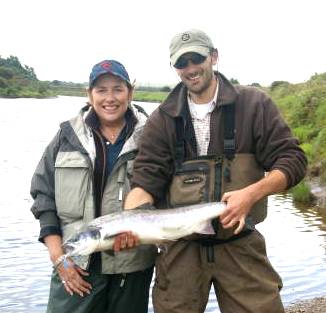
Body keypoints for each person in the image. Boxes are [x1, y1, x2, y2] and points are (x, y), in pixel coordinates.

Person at [122, 29, 307, 313]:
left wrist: (251, 193)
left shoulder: (255, 105)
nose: (191, 68)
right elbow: (146, 179)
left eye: (197, 58)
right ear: (175, 68)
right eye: (182, 63)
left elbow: (292, 160)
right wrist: (130, 221)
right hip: (181, 249)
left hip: (240, 241)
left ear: (214, 57)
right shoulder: (162, 119)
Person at [30, 59, 157, 313]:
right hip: (75, 266)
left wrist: (142, 230)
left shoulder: (153, 136)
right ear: (89, 95)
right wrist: (59, 260)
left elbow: (167, 197)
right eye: (101, 90)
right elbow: (44, 198)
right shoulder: (66, 137)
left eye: (118, 89)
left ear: (130, 93)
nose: (110, 98)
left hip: (131, 269)